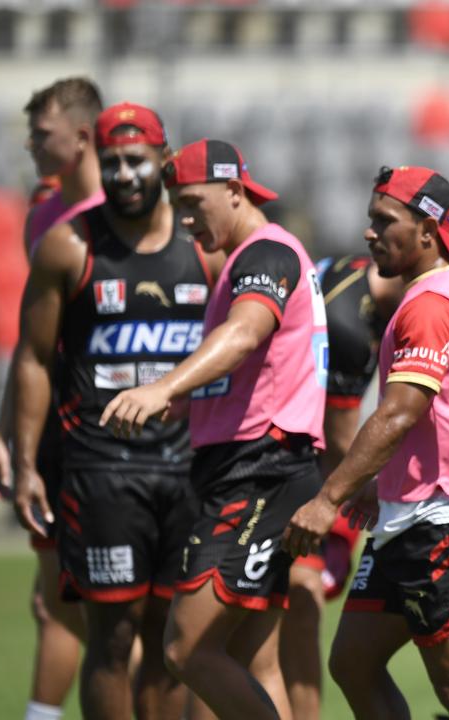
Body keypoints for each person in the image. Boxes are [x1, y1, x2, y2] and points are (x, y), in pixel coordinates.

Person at [284, 165, 449, 720]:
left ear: (426, 230)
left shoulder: (432, 304)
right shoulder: (443, 291)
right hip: (413, 513)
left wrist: (329, 499)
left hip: (445, 519)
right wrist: (374, 482)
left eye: (382, 220)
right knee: (353, 662)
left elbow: (399, 413)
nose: (369, 232)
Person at [99, 137, 326, 719]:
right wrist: (181, 407)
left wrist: (162, 387)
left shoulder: (265, 253)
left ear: (234, 191)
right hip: (256, 468)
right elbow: (251, 364)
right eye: (177, 205)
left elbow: (247, 333)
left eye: (194, 202)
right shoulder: (249, 259)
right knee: (249, 657)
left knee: (186, 647)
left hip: (259, 472)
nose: (184, 219)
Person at [12, 102, 216, 719]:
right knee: (112, 638)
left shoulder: (203, 246)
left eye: (136, 159)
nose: (124, 173)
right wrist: (26, 463)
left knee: (171, 640)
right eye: (111, 162)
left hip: (189, 470)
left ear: (163, 158)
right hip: (101, 472)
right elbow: (32, 360)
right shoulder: (67, 246)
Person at [0, 78, 106, 720]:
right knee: (54, 595)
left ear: (82, 136)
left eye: (42, 133)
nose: (32, 143)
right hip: (60, 431)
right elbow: (35, 345)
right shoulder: (42, 215)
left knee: (131, 615)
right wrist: (10, 432)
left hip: (129, 440)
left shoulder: (138, 214)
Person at [281, 253, 401, 719]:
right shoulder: (350, 325)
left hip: (290, 458)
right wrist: (357, 493)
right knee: (300, 598)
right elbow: (337, 438)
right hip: (292, 467)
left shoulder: (354, 271)